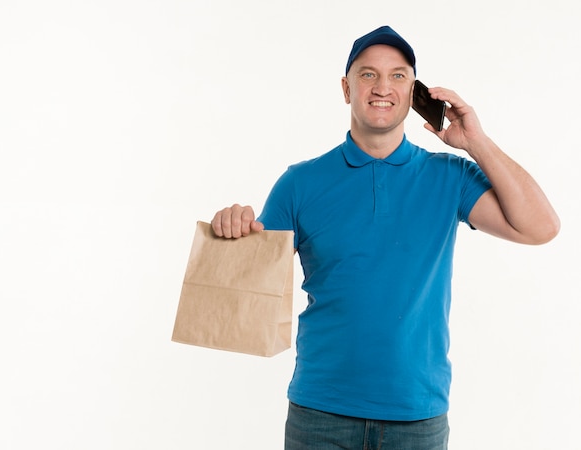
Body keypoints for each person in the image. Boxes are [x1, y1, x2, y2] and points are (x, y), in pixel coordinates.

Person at [211, 25, 560, 449]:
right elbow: (249, 288)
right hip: (320, 416)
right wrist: (232, 231)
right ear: (346, 88)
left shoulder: (450, 177)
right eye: (368, 74)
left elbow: (540, 227)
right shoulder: (299, 183)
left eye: (398, 76)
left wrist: (477, 142)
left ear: (414, 93)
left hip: (418, 419)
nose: (382, 86)